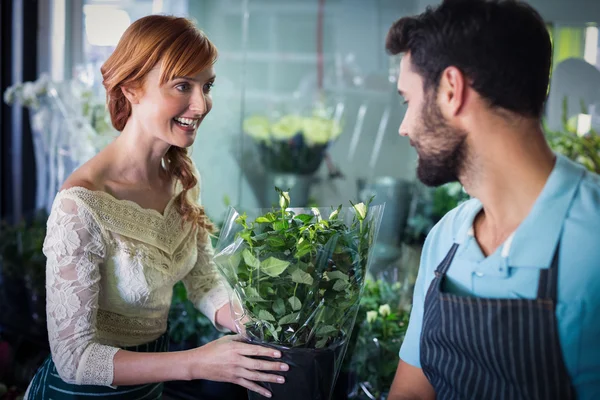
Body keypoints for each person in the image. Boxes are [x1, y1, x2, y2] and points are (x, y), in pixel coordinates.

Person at [25, 15, 287, 400]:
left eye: (207, 86)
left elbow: (204, 281)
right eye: (183, 85)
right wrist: (197, 362)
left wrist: (255, 324)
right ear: (131, 89)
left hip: (149, 391)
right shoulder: (80, 205)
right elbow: (75, 359)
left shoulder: (181, 178)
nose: (200, 105)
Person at [385, 0, 600, 399]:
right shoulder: (446, 237)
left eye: (407, 101)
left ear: (452, 90)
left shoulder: (593, 242)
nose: (404, 126)